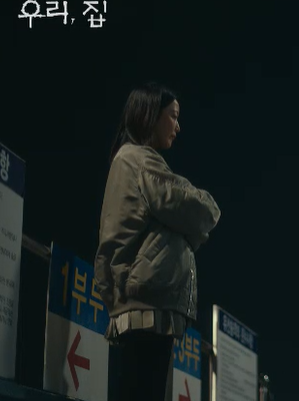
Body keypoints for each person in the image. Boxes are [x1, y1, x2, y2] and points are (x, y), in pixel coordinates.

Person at [93, 82, 221, 401]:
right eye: (173, 116)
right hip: (144, 305)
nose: (178, 126)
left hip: (143, 304)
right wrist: (188, 227)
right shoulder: (139, 160)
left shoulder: (132, 160)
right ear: (151, 114)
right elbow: (202, 211)